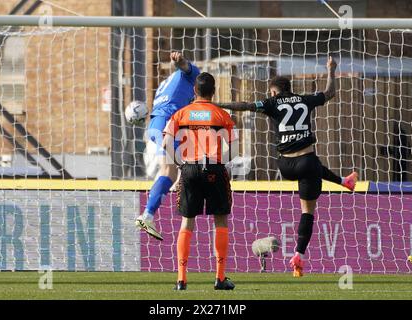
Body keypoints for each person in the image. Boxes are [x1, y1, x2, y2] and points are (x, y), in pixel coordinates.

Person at [216, 56, 358, 277]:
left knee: (313, 166)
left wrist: (217, 104)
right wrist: (331, 70)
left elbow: (245, 106)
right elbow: (330, 93)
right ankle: (298, 256)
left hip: (285, 165)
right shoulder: (304, 99)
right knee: (307, 211)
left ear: (274, 92)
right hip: (307, 162)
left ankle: (344, 181)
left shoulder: (272, 103)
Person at [163, 72, 238, 290]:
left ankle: (181, 278)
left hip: (189, 168)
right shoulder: (221, 115)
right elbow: (233, 149)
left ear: (194, 91)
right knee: (220, 220)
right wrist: (219, 162)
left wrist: (180, 163)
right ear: (213, 91)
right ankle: (220, 277)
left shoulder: (181, 114)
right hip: (214, 167)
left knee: (187, 221)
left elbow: (167, 142)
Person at [135, 52, 200, 241]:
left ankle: (149, 214)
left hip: (156, 125)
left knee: (170, 170)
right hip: (168, 124)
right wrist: (180, 61)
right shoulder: (190, 75)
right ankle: (147, 215)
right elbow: (186, 67)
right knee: (171, 172)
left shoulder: (167, 82)